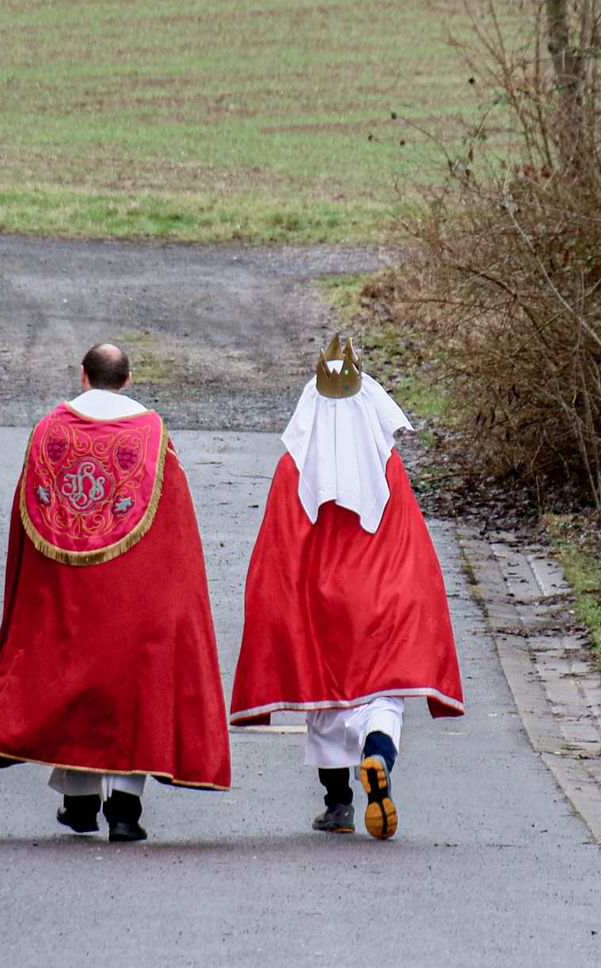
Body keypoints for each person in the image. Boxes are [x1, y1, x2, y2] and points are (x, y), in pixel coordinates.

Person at [0, 342, 231, 840]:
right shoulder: (154, 436)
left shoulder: (48, 433)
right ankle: (124, 811)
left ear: (82, 376)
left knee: (73, 680)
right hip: (132, 599)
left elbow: (25, 518)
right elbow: (176, 533)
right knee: (131, 691)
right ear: (127, 380)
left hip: (68, 591)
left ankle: (80, 804)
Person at [229, 334, 463, 839]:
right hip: (380, 598)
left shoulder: (296, 464)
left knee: (325, 698)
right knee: (380, 697)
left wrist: (275, 604)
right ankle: (378, 754)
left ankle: (338, 804)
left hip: (319, 600)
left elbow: (280, 545)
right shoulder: (384, 462)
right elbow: (408, 540)